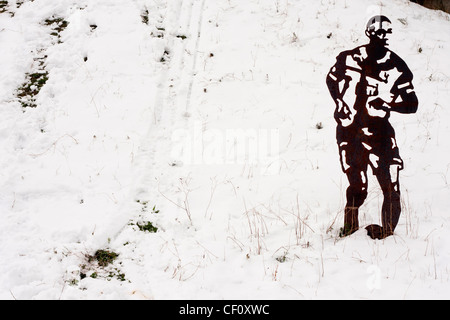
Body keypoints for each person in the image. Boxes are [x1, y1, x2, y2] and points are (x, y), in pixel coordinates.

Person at [326, 15, 418, 239]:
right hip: (350, 131)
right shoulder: (350, 58)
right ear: (368, 33)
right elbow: (331, 78)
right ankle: (350, 228)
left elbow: (412, 103)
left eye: (387, 32)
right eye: (378, 32)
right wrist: (339, 102)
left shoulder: (397, 67)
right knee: (357, 186)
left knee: (391, 183)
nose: (384, 36)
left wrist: (387, 103)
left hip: (380, 133)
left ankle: (387, 232)